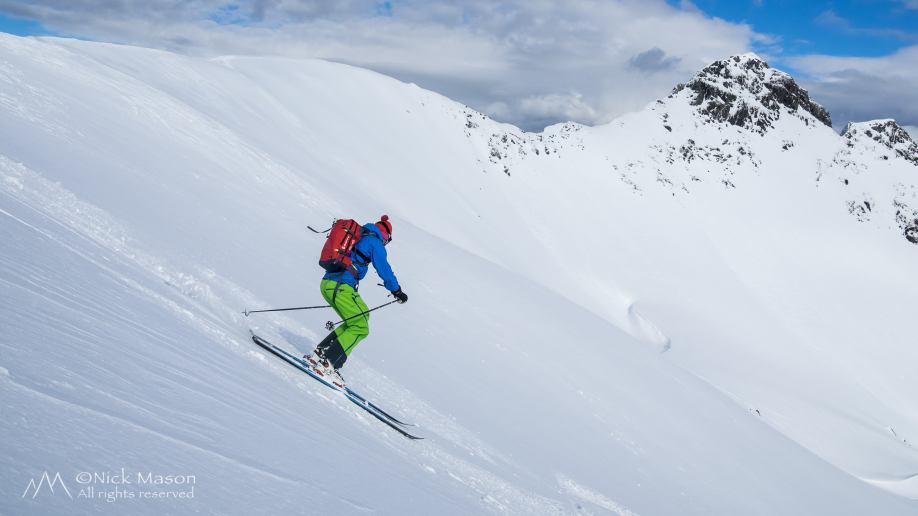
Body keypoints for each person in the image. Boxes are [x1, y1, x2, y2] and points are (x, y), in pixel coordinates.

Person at [306, 215, 407, 387]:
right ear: (386, 237)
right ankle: (328, 363)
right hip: (340, 286)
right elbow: (384, 268)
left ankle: (320, 354)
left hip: (332, 284)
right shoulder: (375, 243)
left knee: (362, 316)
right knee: (360, 327)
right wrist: (396, 290)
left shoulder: (361, 235)